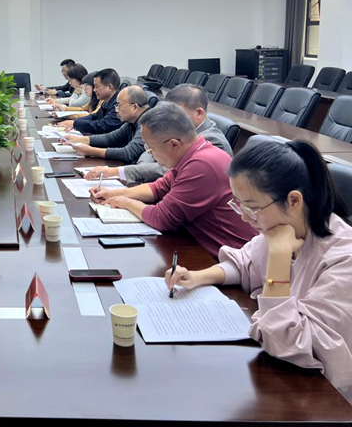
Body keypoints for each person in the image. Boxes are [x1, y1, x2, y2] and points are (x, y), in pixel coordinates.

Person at [165, 139, 352, 395]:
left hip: (324, 396)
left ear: (294, 200)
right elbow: (245, 263)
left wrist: (279, 257)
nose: (244, 217)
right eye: (239, 204)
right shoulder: (283, 226)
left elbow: (289, 342)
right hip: (282, 375)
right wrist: (197, 277)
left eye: (252, 207)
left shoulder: (343, 259)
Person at [92, 102, 256, 257]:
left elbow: (160, 218)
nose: (150, 153)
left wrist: (125, 202)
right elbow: (158, 188)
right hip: (199, 244)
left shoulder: (202, 164)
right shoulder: (193, 153)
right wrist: (113, 193)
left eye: (151, 148)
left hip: (229, 258)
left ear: (173, 144)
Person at [84, 84, 232, 184]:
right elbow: (149, 150)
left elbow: (168, 170)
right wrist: (144, 166)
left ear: (198, 113)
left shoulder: (212, 142)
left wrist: (119, 171)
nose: (170, 117)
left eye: (176, 112)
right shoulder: (177, 131)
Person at [64, 85, 148, 163]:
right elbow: (110, 138)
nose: (116, 110)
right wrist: (79, 139)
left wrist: (90, 151)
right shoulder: (131, 122)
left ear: (134, 107)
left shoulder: (147, 123)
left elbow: (129, 153)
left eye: (119, 105)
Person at [57, 68, 122, 135]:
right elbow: (94, 116)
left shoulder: (118, 104)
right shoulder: (106, 102)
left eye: (97, 87)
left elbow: (103, 125)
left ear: (109, 87)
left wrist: (76, 124)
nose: (94, 90)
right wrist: (74, 122)